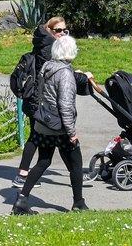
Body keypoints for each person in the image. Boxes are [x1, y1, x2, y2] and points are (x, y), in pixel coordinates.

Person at [13, 34, 87, 213]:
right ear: (72, 52)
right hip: (59, 127)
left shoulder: (47, 66)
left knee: (43, 161)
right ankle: (78, 203)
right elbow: (65, 105)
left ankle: (21, 200)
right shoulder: (66, 74)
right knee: (76, 164)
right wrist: (71, 133)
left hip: (44, 123)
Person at [13, 16, 68, 187]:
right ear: (50, 30)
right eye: (59, 30)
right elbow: (52, 72)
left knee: (35, 136)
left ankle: (22, 174)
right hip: (41, 100)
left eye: (65, 30)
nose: (63, 33)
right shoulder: (49, 47)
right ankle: (23, 176)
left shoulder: (42, 42)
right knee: (60, 136)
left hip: (34, 99)